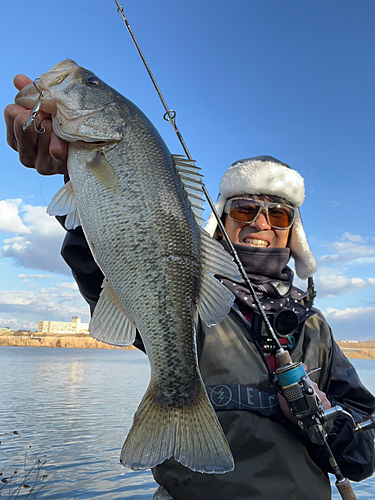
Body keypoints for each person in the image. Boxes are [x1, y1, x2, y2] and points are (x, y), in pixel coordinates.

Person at [5, 76, 375, 500]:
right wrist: (74, 175)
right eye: (246, 208)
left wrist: (329, 420)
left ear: (294, 234)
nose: (259, 223)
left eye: (278, 216)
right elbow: (112, 263)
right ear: (224, 217)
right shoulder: (197, 301)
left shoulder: (316, 330)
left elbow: (365, 457)